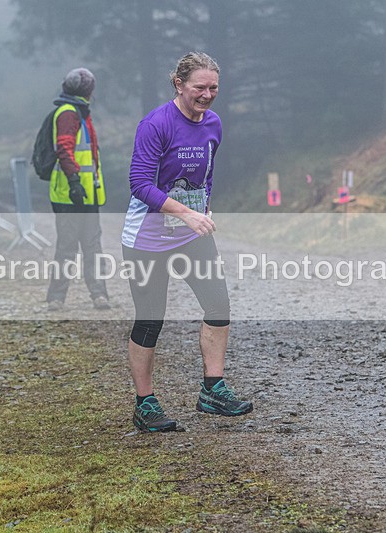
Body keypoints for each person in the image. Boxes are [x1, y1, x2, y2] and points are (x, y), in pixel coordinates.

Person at [122, 52, 253, 432]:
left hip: (192, 233)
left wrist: (204, 210)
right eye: (200, 87)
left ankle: (213, 390)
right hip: (147, 238)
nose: (207, 95)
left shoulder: (213, 124)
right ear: (179, 84)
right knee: (150, 320)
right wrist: (185, 213)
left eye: (213, 87)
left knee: (218, 307)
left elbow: (205, 175)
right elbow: (140, 185)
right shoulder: (156, 124)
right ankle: (145, 404)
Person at [46, 67, 110, 311]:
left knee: (93, 245)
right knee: (67, 246)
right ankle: (56, 298)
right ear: (87, 90)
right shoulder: (68, 113)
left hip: (87, 192)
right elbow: (64, 148)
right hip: (69, 193)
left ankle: (99, 294)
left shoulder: (81, 112)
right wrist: (74, 181)